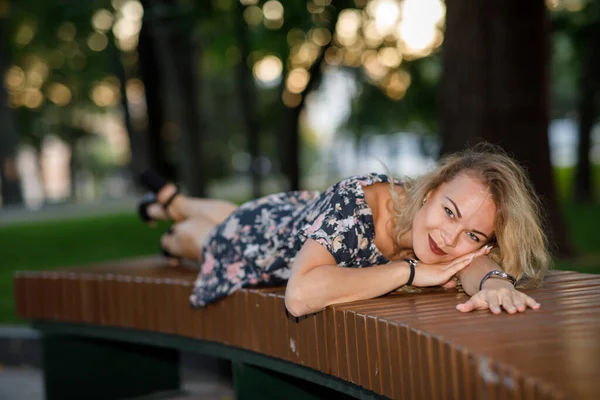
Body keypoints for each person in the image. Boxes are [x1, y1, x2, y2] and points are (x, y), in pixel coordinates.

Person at [137, 143, 551, 317]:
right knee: (196, 238)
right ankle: (170, 221)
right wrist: (407, 272)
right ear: (430, 189)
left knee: (233, 212)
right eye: (449, 211)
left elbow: (475, 265)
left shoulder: (445, 238)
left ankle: (168, 200)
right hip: (254, 244)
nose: (450, 238)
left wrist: (496, 283)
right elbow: (298, 297)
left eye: (474, 235)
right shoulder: (361, 203)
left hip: (288, 217)